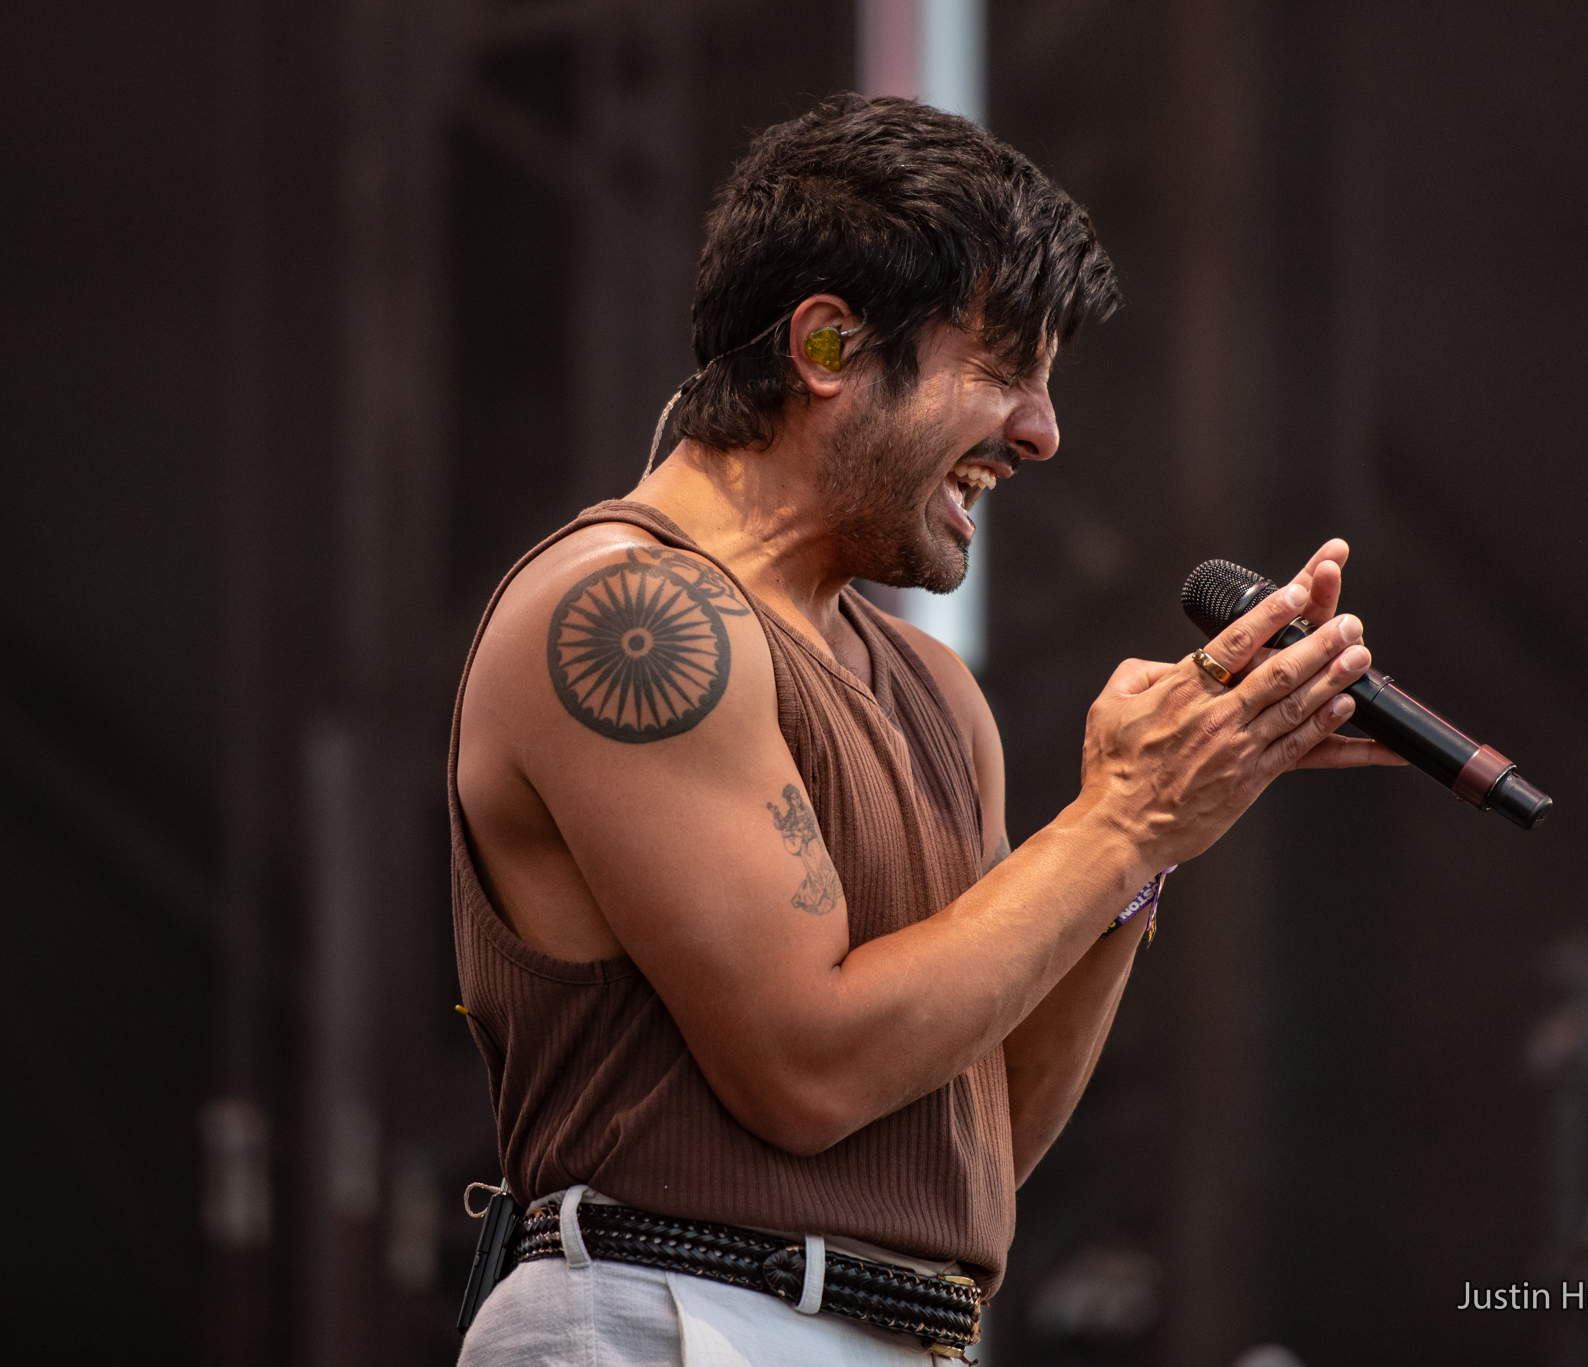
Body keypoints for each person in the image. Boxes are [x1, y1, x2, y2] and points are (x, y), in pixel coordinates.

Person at [449, 94, 1398, 1365]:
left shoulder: (931, 691)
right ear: (828, 347)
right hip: (670, 1317)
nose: (1041, 432)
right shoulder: (628, 609)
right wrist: (1122, 816)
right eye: (1004, 367)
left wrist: (1156, 840)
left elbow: (980, 1124)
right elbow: (807, 1071)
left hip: (895, 1331)